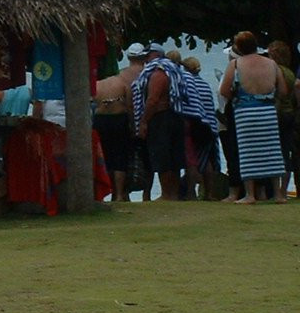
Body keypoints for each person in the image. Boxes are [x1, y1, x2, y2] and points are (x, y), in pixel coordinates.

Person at [219, 31, 286, 204]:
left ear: (239, 48)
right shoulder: (271, 64)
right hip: (267, 111)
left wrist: (236, 96)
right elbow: (284, 90)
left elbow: (224, 90)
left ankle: (250, 194)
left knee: (247, 152)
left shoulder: (235, 64)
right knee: (272, 150)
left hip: (244, 112)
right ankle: (278, 194)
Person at [92, 44, 146, 202]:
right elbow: (130, 107)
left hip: (101, 121)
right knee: (120, 158)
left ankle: (109, 192)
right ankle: (120, 194)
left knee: (106, 157)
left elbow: (91, 105)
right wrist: (133, 126)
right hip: (118, 120)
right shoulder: (122, 83)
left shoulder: (97, 85)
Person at [132, 44, 185, 201]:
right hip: (175, 116)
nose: (145, 58)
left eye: (148, 55)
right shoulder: (174, 71)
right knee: (173, 157)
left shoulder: (159, 72)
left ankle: (167, 193)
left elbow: (153, 99)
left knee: (164, 157)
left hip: (161, 117)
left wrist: (143, 122)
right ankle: (172, 193)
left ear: (155, 54)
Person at [176, 55, 220, 200]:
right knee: (206, 161)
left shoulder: (187, 82)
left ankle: (191, 192)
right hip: (209, 127)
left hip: (196, 125)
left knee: (192, 160)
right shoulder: (205, 85)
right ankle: (210, 193)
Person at [266, 40, 298, 197]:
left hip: (277, 114)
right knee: (286, 152)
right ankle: (283, 190)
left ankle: (275, 191)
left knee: (273, 153)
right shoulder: (290, 72)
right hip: (289, 114)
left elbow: (276, 94)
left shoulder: (275, 71)